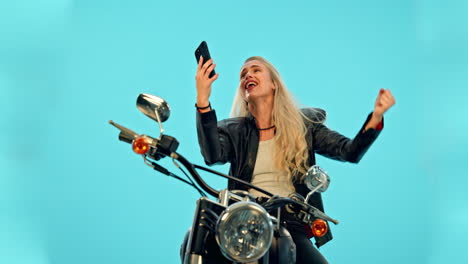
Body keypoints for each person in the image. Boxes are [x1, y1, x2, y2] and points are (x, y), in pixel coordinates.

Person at [194, 55, 395, 263]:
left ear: (274, 84)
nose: (248, 76)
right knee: (200, 240)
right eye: (243, 74)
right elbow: (212, 155)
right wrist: (203, 99)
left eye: (256, 70)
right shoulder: (234, 130)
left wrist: (376, 117)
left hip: (289, 222)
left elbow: (348, 151)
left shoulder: (304, 125)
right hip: (245, 221)